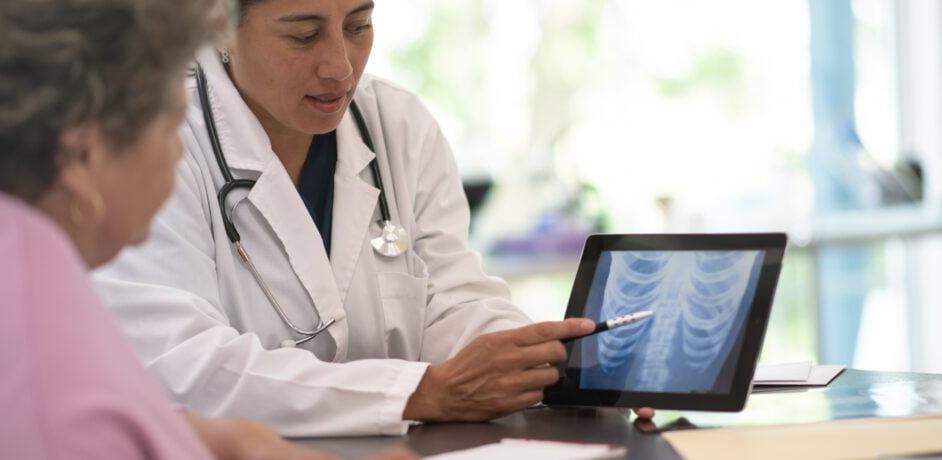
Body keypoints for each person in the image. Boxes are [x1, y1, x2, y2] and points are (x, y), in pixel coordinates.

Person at [93, 0, 653, 437]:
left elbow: (452, 300)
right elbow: (179, 367)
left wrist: (547, 372)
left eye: (358, 25)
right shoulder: (156, 137)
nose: (339, 65)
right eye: (303, 35)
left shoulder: (397, 126)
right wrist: (420, 392)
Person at [0, 0, 413, 458]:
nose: (181, 154)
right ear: (84, 155)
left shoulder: (25, 277)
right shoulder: (37, 363)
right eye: (173, 124)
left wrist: (231, 442)